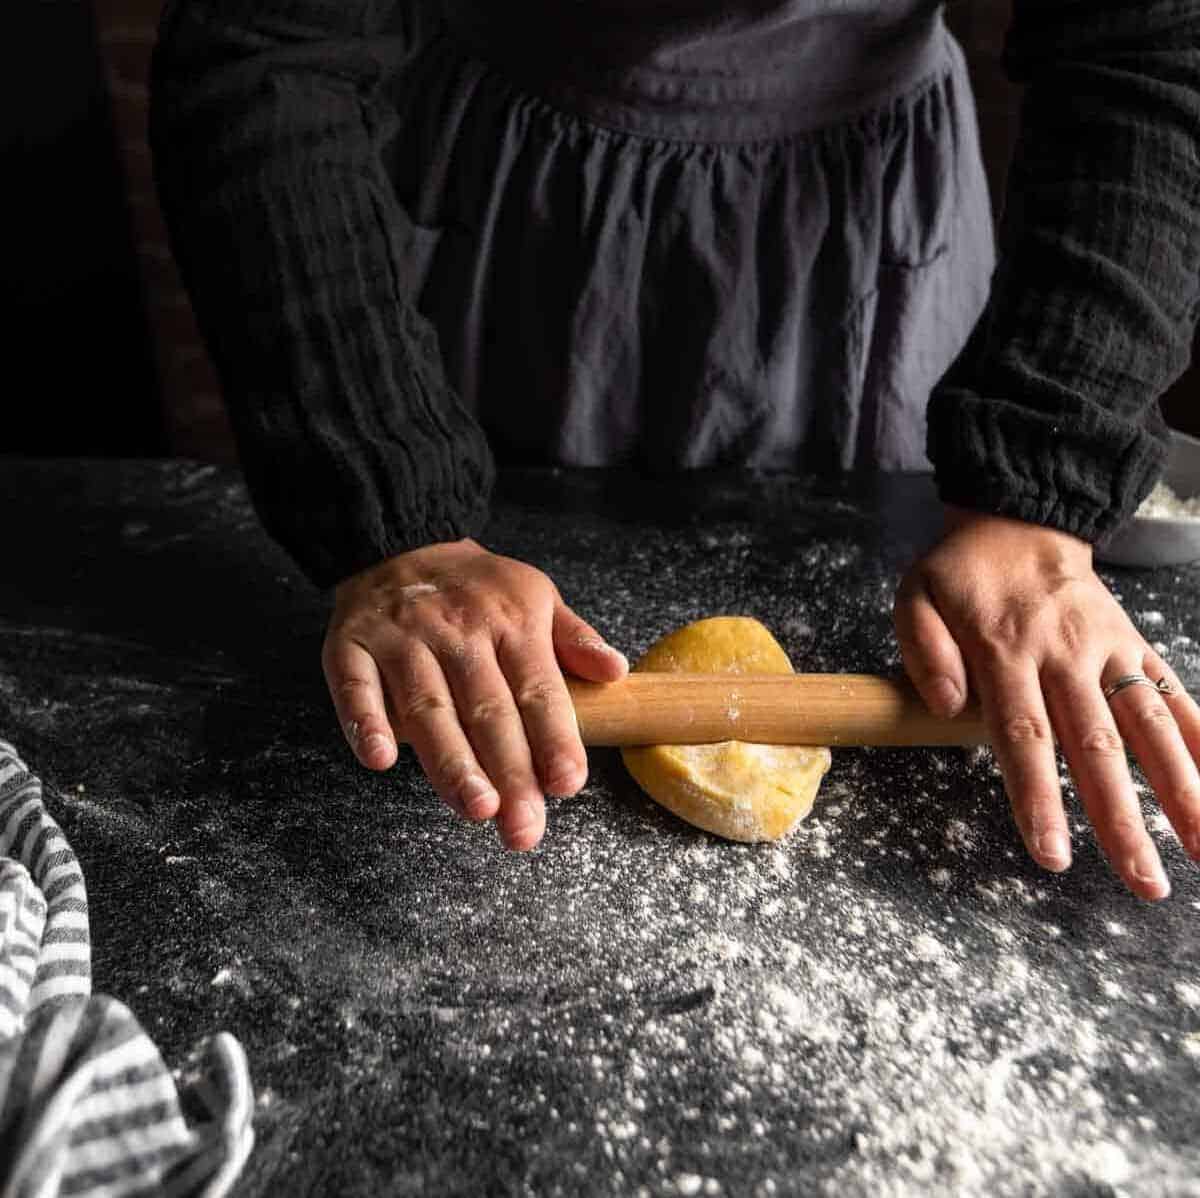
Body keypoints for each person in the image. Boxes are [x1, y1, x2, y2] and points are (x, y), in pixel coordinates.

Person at [149, 0, 1200, 901]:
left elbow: (1150, 43)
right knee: (476, 638)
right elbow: (266, 43)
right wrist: (389, 502)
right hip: (519, 199)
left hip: (867, 220)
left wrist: (1037, 496)